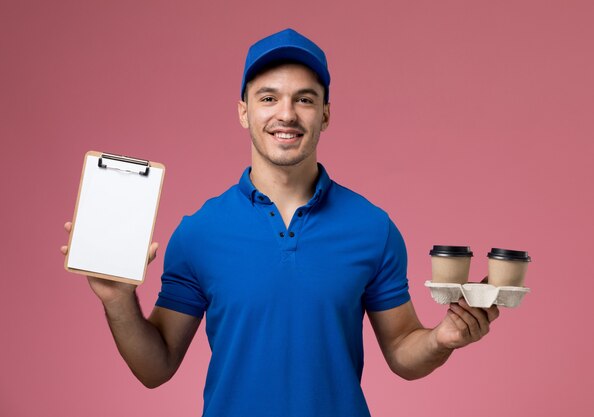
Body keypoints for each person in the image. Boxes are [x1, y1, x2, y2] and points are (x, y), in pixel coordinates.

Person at [61, 28, 499, 417]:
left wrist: (442, 338)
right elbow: (155, 368)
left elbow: (404, 352)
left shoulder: (373, 228)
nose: (286, 114)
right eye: (268, 98)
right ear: (243, 112)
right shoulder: (198, 233)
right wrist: (118, 300)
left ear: (325, 114)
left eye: (304, 99)